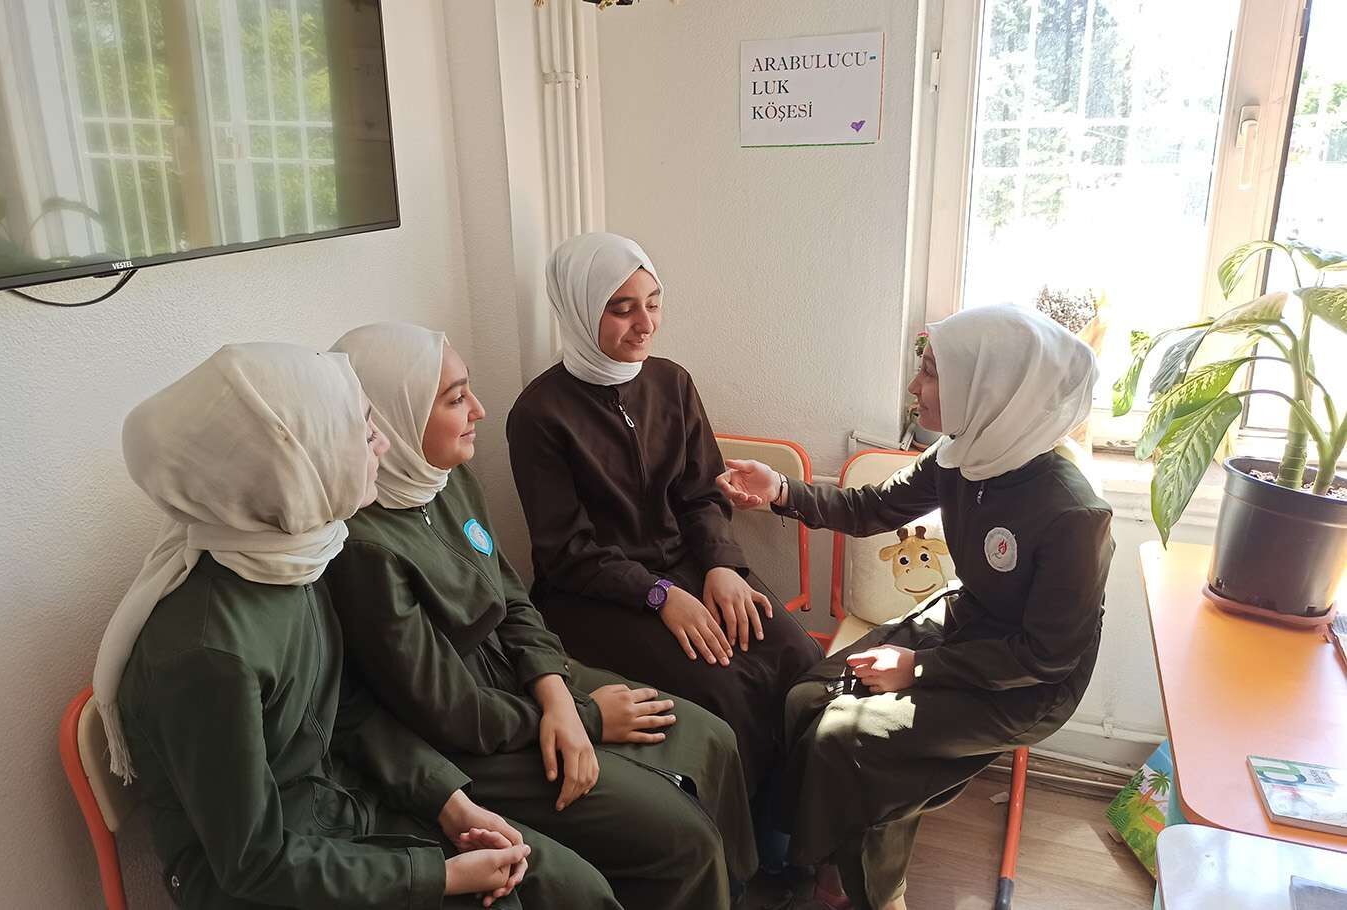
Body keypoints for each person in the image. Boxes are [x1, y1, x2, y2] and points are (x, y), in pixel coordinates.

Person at [95, 342, 619, 909]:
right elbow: (254, 862)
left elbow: (346, 709)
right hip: (270, 878)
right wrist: (439, 876)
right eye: (365, 431)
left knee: (573, 889)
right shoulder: (206, 654)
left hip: (340, 806)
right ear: (294, 463)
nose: (384, 445)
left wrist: (449, 803)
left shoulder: (295, 559)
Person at [324, 322, 755, 910]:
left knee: (714, 738)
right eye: (454, 399)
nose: (478, 409)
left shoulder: (446, 481)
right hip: (474, 738)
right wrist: (586, 718)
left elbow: (511, 598)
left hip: (521, 681)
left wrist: (557, 694)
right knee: (685, 840)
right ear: (392, 418)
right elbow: (445, 709)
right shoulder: (365, 549)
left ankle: (741, 892)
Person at [717, 305, 1115, 910]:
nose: (913, 386)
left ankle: (857, 887)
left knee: (851, 740)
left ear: (988, 390)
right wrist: (779, 490)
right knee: (806, 696)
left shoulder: (1074, 514)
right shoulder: (965, 454)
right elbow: (871, 508)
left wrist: (917, 669)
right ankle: (802, 856)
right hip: (966, 622)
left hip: (1029, 683)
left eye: (929, 372)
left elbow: (1047, 656)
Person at [505, 235, 822, 861]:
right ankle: (746, 854)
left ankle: (802, 826)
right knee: (725, 692)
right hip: (595, 598)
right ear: (578, 310)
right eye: (621, 308)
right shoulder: (539, 414)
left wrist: (723, 567)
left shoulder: (672, 383)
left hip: (690, 568)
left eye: (653, 302)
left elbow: (701, 494)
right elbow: (567, 551)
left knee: (797, 656)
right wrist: (659, 595)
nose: (645, 324)